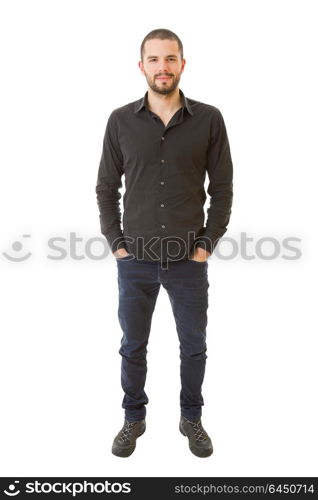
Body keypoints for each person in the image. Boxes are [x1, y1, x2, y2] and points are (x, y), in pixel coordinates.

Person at [95, 28, 233, 458]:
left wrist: (207, 244)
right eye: (154, 59)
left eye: (170, 59)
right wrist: (116, 242)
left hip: (189, 261)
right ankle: (133, 418)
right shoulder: (120, 120)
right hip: (133, 259)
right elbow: (105, 188)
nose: (163, 67)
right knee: (132, 346)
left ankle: (191, 417)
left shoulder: (209, 119)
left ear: (182, 64)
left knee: (194, 346)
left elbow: (223, 189)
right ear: (142, 66)